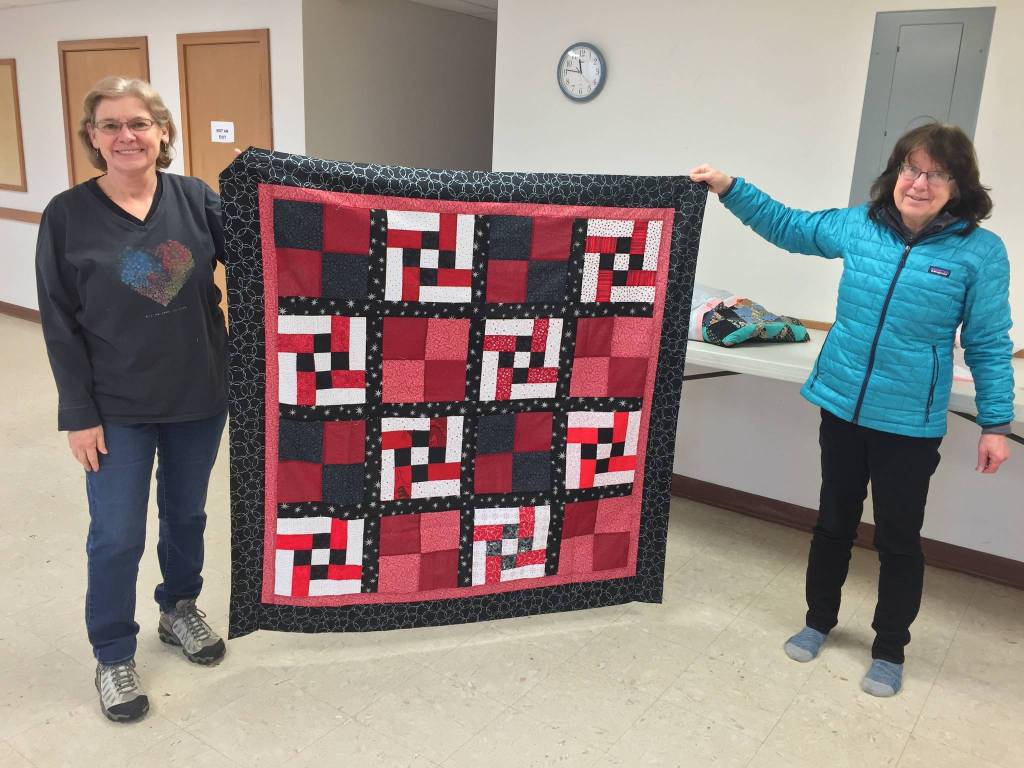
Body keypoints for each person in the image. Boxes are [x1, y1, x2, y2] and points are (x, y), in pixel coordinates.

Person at [690, 122, 1014, 697]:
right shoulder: (862, 226)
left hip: (909, 421)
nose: (919, 182)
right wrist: (729, 187)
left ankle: (889, 649)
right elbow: (790, 227)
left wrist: (995, 422)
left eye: (936, 173)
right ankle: (818, 621)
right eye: (910, 169)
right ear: (895, 173)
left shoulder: (979, 252)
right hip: (841, 403)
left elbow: (989, 341)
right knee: (832, 522)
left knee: (898, 537)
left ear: (958, 184)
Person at [36, 76, 229, 722]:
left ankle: (179, 609)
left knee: (187, 517)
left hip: (198, 394)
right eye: (111, 126)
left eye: (139, 124)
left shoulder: (197, 201)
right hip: (115, 405)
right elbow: (60, 322)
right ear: (93, 138)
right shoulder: (67, 215)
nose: (127, 136)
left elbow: (266, 251)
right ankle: (114, 651)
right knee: (116, 534)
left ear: (163, 132)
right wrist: (79, 414)